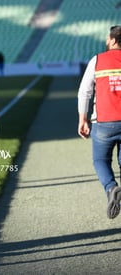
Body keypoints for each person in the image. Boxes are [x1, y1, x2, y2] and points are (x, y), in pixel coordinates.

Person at [78, 25, 121, 219]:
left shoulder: (97, 60)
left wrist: (83, 119)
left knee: (100, 160)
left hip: (104, 122)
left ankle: (111, 188)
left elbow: (84, 91)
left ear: (112, 40)